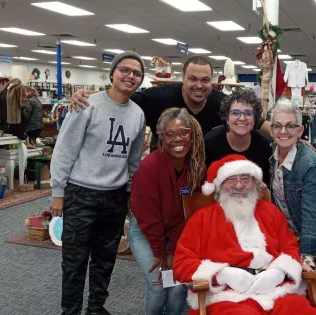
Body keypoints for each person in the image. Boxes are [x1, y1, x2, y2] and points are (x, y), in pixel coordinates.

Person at [49, 51, 147, 315]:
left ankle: (96, 308)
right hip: (81, 194)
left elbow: (133, 161)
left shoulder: (138, 114)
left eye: (137, 73)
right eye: (125, 70)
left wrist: (129, 194)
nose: (130, 76)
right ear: (112, 73)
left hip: (114, 197)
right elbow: (64, 149)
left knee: (105, 260)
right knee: (74, 261)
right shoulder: (87, 105)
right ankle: (70, 311)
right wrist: (58, 191)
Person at [174, 154, 316, 315]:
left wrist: (279, 273)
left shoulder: (270, 212)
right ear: (221, 185)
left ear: (254, 183)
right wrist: (222, 275)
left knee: (300, 310)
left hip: (274, 290)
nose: (239, 186)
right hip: (226, 295)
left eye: (245, 179)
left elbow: (290, 248)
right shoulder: (202, 218)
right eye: (231, 180)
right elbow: (182, 263)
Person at [69, 56, 278, 141]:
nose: (199, 85)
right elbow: (122, 97)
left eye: (205, 80)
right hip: (165, 172)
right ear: (183, 79)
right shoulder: (160, 97)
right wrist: (89, 95)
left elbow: (257, 122)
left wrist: (287, 136)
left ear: (212, 81)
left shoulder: (221, 102)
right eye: (192, 79)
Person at [129, 108, 206, 315]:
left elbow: (188, 215)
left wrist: (173, 249)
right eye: (170, 134)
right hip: (146, 233)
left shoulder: (195, 166)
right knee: (158, 285)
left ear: (192, 134)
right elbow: (147, 216)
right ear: (161, 138)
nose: (178, 139)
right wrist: (159, 252)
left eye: (183, 132)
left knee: (178, 285)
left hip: (177, 233)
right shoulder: (149, 167)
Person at [269, 99, 316, 271]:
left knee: (298, 275)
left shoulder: (310, 164)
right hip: (295, 229)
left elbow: (313, 212)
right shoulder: (272, 153)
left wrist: (307, 255)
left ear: (300, 130)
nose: (283, 131)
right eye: (278, 126)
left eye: (290, 126)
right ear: (271, 130)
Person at [204, 89, 271, 184]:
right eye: (235, 113)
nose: (242, 118)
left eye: (248, 113)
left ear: (255, 119)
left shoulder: (265, 145)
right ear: (226, 118)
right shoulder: (210, 143)